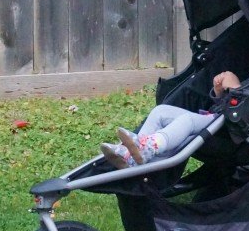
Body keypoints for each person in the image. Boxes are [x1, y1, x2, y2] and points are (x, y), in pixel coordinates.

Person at [100, 71, 241, 168]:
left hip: (231, 129)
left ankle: (149, 148)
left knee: (188, 120)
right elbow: (223, 105)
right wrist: (220, 93)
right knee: (160, 111)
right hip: (215, 119)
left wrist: (235, 89)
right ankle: (135, 154)